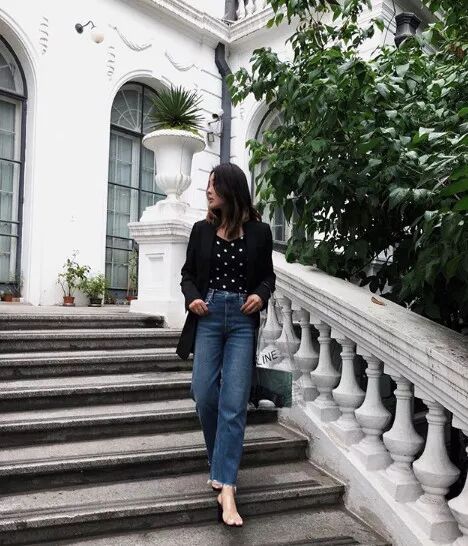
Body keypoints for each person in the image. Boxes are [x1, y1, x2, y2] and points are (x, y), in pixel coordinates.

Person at [176, 162, 276, 527]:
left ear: (231, 189)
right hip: (208, 315)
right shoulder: (201, 230)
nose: (208, 191)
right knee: (204, 393)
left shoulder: (260, 232)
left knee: (234, 403)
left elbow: (267, 276)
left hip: (242, 322)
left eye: (214, 185)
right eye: (208, 185)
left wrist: (260, 295)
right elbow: (187, 274)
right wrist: (192, 297)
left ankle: (227, 487)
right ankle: (220, 463)